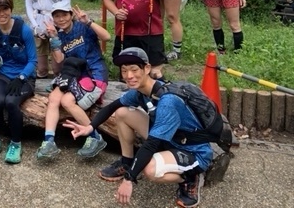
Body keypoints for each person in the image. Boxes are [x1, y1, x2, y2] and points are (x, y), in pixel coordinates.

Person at [64, 47, 213, 208]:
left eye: (134, 69)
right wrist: (90, 127)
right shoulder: (141, 91)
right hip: (169, 140)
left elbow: (151, 145)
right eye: (124, 70)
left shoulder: (168, 101)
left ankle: (191, 178)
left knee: (150, 170)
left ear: (147, 68)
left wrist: (130, 179)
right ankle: (126, 162)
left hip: (193, 151)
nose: (129, 76)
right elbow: (112, 107)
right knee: (122, 113)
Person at [35, 0, 111, 161]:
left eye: (64, 15)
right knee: (54, 97)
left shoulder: (83, 26)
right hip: (75, 75)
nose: (61, 19)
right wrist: (54, 38)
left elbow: (107, 37)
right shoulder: (60, 35)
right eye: (57, 16)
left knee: (67, 101)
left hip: (94, 74)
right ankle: (49, 141)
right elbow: (59, 59)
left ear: (71, 15)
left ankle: (95, 136)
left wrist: (88, 22)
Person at [0, 0, 37, 164]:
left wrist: (21, 78)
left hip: (24, 76)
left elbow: (33, 60)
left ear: (11, 9)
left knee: (11, 103)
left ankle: (16, 144)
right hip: (3, 75)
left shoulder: (24, 30)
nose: (2, 13)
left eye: (5, 9)